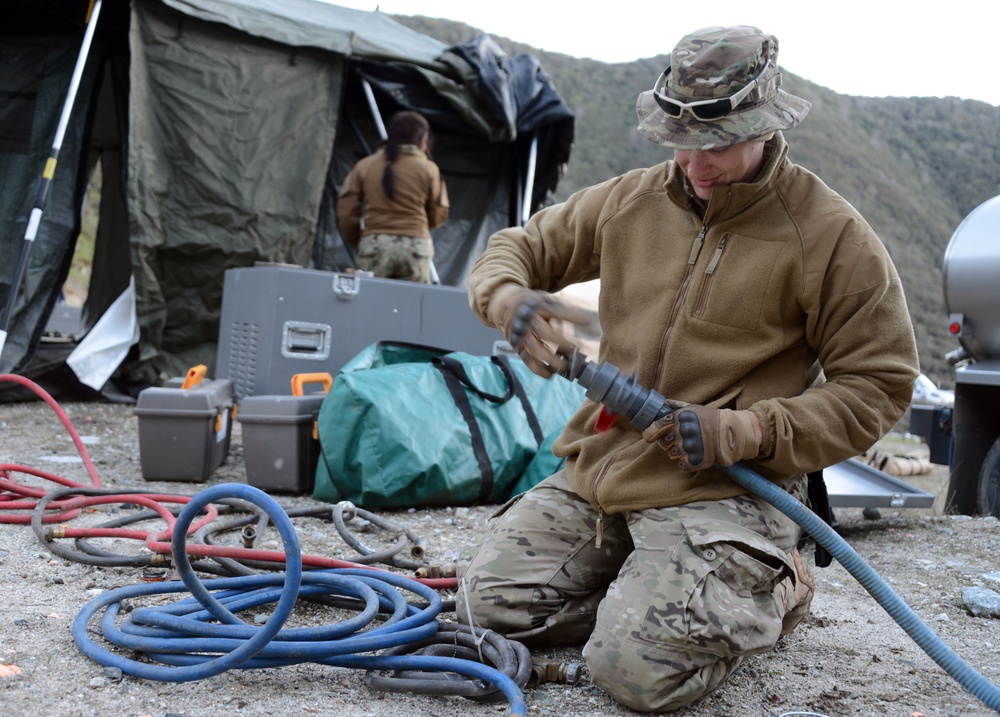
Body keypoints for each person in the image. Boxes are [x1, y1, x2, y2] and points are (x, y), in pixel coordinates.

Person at [457, 25, 919, 712]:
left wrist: (747, 429)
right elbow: (516, 248)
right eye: (682, 141)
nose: (696, 166)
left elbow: (880, 385)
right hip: (606, 472)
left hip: (726, 492)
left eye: (720, 144)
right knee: (481, 605)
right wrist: (508, 298)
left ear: (766, 126)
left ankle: (776, 580)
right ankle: (655, 594)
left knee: (635, 672)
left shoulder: (831, 237)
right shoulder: (631, 201)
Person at [337, 111, 449, 283]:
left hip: (375, 246)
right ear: (422, 139)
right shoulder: (430, 169)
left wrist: (363, 240)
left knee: (370, 302)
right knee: (411, 305)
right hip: (416, 248)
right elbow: (438, 215)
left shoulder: (364, 165)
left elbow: (346, 211)